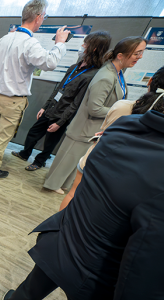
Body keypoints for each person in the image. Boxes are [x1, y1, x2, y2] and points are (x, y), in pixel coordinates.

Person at [0, 104, 164, 300]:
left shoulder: (123, 127)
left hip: (66, 236)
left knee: (31, 287)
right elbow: (151, 261)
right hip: (104, 274)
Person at [43, 36, 147, 194]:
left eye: (141, 53)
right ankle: (52, 184)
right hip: (84, 128)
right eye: (136, 54)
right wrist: (123, 110)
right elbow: (95, 109)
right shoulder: (106, 76)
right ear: (120, 55)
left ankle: (62, 184)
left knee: (74, 164)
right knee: (67, 161)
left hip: (92, 130)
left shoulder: (117, 74)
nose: (140, 57)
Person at [0, 0, 70, 178]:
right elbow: (49, 63)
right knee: (3, 137)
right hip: (13, 101)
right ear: (38, 17)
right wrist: (60, 43)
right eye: (44, 16)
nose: (43, 20)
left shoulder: (4, 38)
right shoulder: (29, 43)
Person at [59, 65, 164, 210]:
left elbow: (105, 130)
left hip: (98, 158)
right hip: (133, 174)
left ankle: (59, 230)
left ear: (150, 81)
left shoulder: (123, 106)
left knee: (73, 195)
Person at [11, 31, 112, 171]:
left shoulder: (92, 75)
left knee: (50, 143)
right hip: (51, 108)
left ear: (94, 48)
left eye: (85, 44)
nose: (82, 46)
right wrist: (44, 107)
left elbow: (76, 103)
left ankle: (39, 162)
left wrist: (60, 123)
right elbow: (58, 88)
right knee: (33, 132)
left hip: (61, 115)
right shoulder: (74, 68)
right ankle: (24, 153)